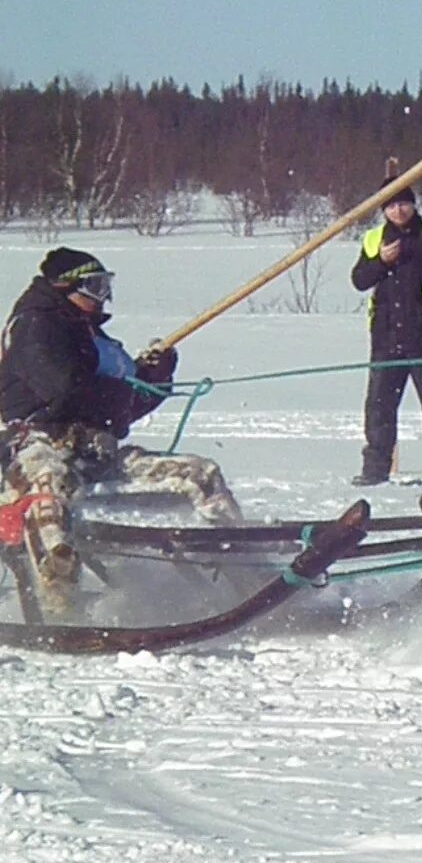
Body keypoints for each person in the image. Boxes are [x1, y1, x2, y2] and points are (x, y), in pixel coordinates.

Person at [0, 247, 242, 615]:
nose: (104, 298)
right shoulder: (35, 327)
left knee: (200, 473)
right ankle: (59, 607)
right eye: (95, 287)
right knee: (48, 482)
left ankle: (243, 573)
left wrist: (152, 379)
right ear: (66, 287)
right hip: (30, 448)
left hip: (95, 453)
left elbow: (121, 408)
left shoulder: (96, 339)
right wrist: (129, 385)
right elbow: (66, 390)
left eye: (106, 286)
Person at [350, 158, 422, 484]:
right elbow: (359, 280)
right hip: (386, 337)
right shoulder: (374, 239)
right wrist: (380, 263)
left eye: (404, 204)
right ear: (383, 209)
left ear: (413, 204)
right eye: (391, 206)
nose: (399, 211)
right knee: (379, 408)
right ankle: (375, 469)